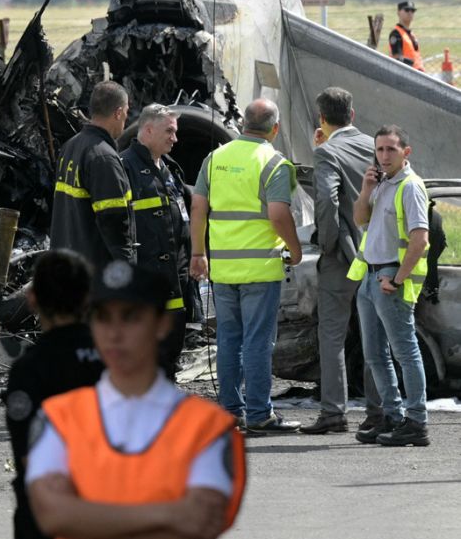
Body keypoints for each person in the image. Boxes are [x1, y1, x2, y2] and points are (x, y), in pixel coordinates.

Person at [26, 260, 246, 539]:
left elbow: (201, 521)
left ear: (162, 324)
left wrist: (84, 516)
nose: (114, 333)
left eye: (131, 317)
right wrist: (167, 513)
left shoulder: (207, 427)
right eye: (103, 317)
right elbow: (52, 515)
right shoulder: (58, 418)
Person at [190, 99, 302, 433]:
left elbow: (198, 208)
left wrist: (199, 252)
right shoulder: (274, 163)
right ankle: (259, 414)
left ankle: (229, 412)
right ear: (275, 128)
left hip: (223, 269)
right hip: (260, 268)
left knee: (228, 340)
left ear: (242, 125)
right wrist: (294, 250)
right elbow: (279, 215)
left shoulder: (215, 159)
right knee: (256, 342)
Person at [2, 250, 105, 539]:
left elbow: (28, 456)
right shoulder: (119, 360)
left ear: (32, 299)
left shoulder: (29, 369)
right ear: (87, 298)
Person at [302, 87, 384, 435]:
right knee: (374, 335)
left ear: (323, 119)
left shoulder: (327, 153)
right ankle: (380, 411)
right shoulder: (376, 147)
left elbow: (326, 199)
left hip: (343, 256)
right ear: (352, 114)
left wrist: (329, 243)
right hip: (378, 255)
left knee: (332, 335)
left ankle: (334, 412)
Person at [348, 125, 431, 447]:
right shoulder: (383, 183)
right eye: (379, 149)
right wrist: (366, 190)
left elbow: (420, 239)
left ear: (405, 152)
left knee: (405, 352)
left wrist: (397, 278)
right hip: (369, 277)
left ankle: (416, 421)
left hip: (389, 280)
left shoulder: (409, 186)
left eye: (390, 150)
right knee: (374, 354)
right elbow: (360, 220)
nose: (383, 156)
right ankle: (393, 416)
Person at [121, 104, 193, 379]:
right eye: (169, 132)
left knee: (172, 340)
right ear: (148, 130)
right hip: (146, 275)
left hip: (176, 275)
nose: (175, 139)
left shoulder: (169, 168)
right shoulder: (125, 166)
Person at [49, 80, 136, 268]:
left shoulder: (69, 147)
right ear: (118, 112)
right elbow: (114, 223)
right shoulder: (104, 158)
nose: (126, 118)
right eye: (127, 112)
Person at [389, 1, 424, 72]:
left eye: (412, 10)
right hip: (407, 74)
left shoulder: (412, 34)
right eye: (406, 10)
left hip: (418, 73)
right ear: (398, 13)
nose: (410, 13)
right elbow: (397, 58)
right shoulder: (396, 33)